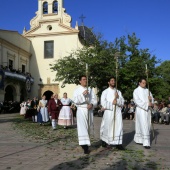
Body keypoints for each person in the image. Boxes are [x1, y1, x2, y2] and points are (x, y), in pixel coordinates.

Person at [73, 75, 97, 154]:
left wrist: (92, 105)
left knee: (88, 127)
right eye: (83, 79)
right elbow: (75, 101)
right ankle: (85, 146)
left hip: (89, 110)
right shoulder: (77, 90)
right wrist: (83, 94)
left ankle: (86, 143)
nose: (85, 81)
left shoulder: (90, 89)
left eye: (86, 79)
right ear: (80, 81)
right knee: (82, 127)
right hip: (81, 110)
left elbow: (94, 100)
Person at [100, 77, 125, 150]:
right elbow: (103, 102)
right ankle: (105, 140)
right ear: (108, 82)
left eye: (114, 80)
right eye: (111, 80)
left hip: (117, 111)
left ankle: (118, 143)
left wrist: (117, 100)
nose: (113, 82)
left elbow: (122, 102)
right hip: (109, 111)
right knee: (107, 127)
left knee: (118, 127)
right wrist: (112, 103)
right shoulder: (105, 92)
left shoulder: (118, 92)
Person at [133, 78, 154, 149]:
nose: (144, 84)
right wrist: (146, 104)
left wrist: (151, 100)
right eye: (143, 83)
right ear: (139, 83)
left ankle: (140, 139)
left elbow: (152, 99)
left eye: (145, 83)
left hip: (147, 110)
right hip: (141, 109)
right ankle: (146, 142)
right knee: (142, 124)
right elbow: (136, 101)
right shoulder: (136, 91)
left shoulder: (148, 90)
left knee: (147, 124)